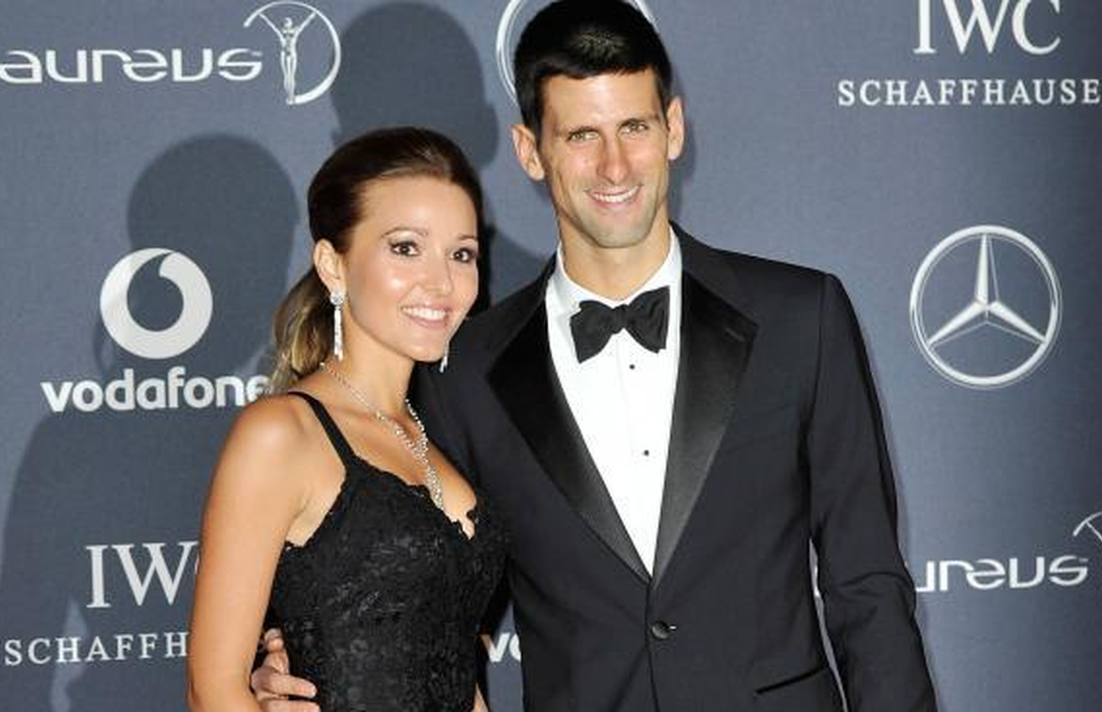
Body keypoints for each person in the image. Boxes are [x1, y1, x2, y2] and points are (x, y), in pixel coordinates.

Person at [255, 2, 937, 710]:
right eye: (582, 135)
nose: (615, 166)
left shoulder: (800, 318)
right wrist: (292, 665)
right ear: (530, 151)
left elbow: (867, 585)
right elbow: (416, 594)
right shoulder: (465, 372)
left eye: (634, 127)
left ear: (673, 128)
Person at [186, 127, 506, 712]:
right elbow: (213, 692)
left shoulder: (430, 435)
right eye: (406, 248)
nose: (442, 282)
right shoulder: (282, 434)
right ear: (333, 265)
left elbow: (456, 672)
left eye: (461, 254)